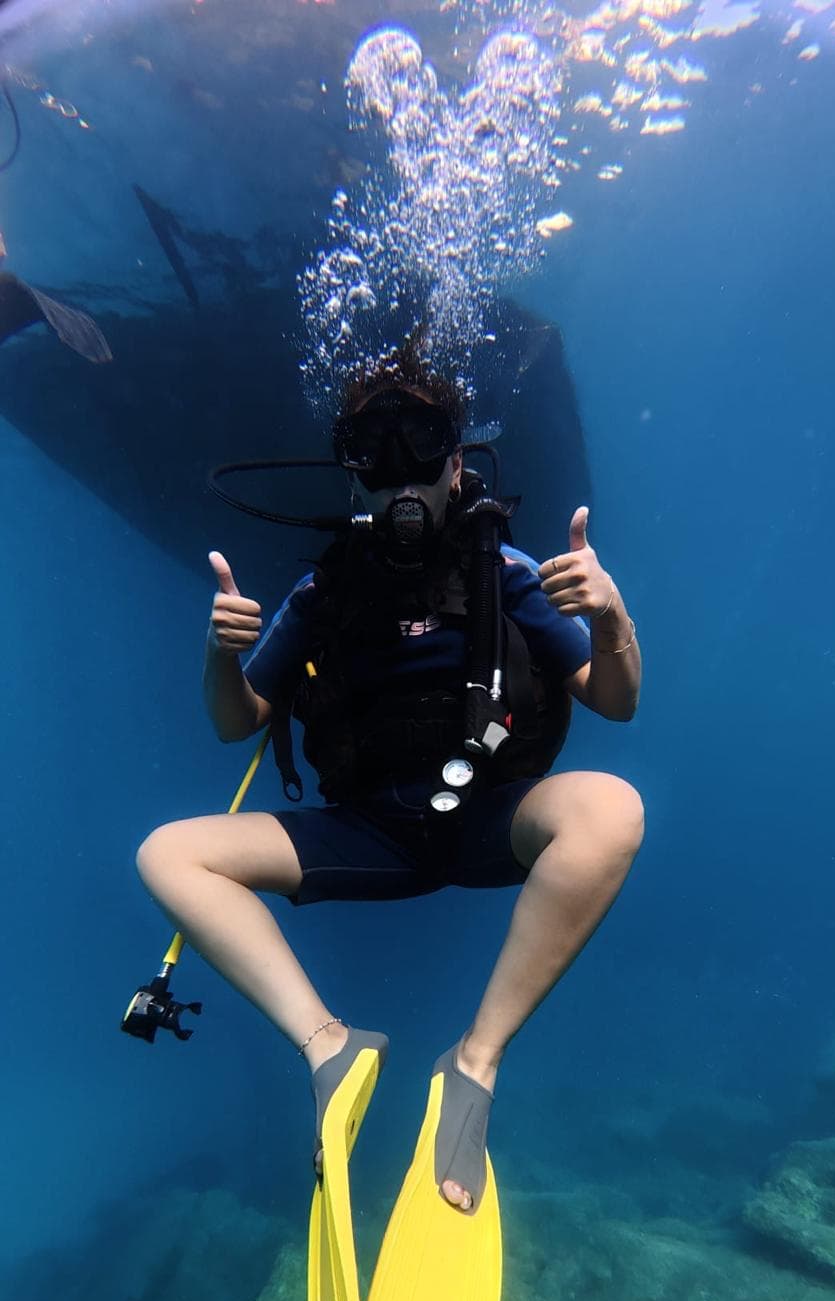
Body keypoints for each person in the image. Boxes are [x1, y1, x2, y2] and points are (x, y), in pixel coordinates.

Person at [136, 339, 644, 1215]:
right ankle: (330, 1049)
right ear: (352, 477)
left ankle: (475, 1060)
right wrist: (221, 656)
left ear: (456, 464)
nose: (399, 475)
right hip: (367, 831)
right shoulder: (322, 592)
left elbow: (615, 700)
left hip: (488, 815)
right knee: (167, 853)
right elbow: (236, 724)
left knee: (612, 807)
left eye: (424, 447)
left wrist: (612, 614)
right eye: (375, 456)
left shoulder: (508, 573)